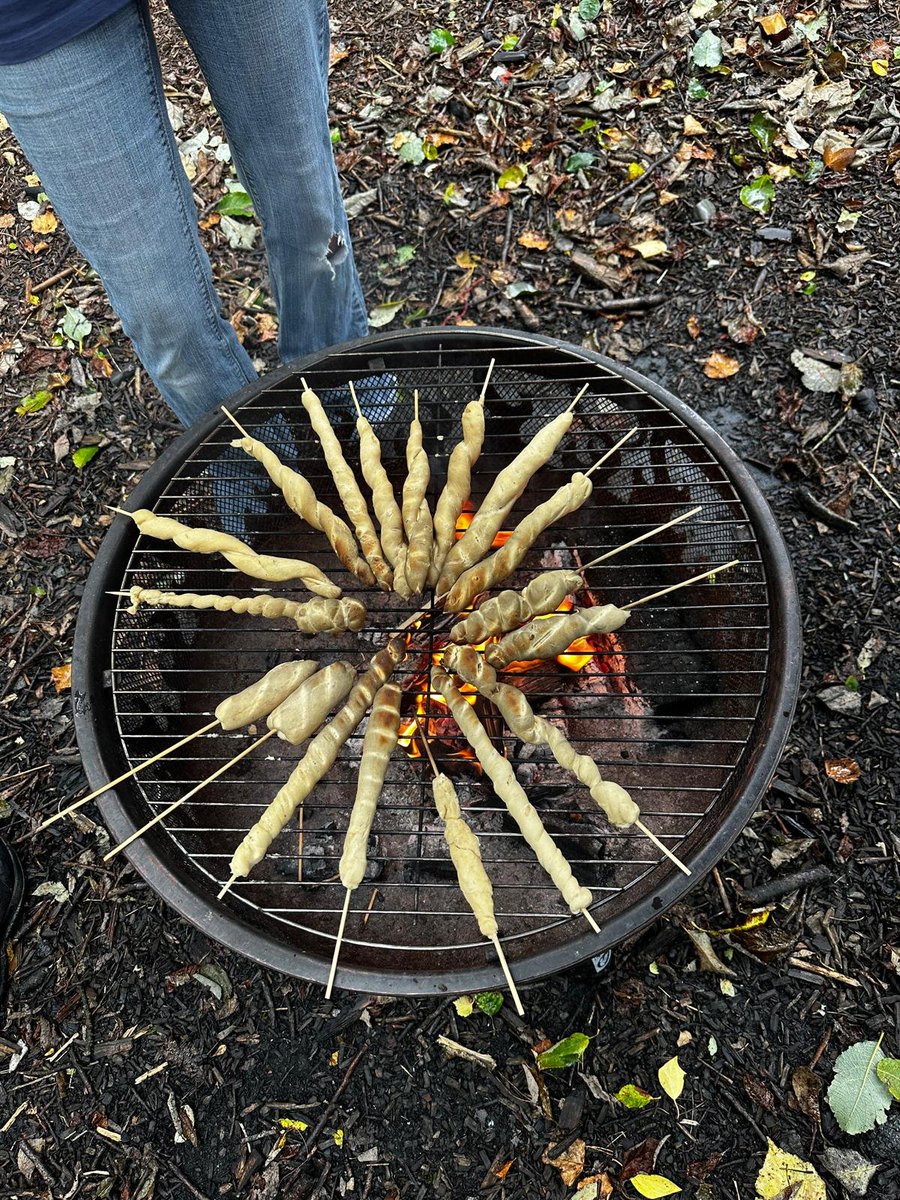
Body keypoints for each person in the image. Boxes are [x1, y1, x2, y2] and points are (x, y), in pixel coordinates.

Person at [0, 1, 370, 427]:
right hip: (35, 15)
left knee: (309, 215)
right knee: (163, 308)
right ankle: (252, 468)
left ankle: (347, 400)